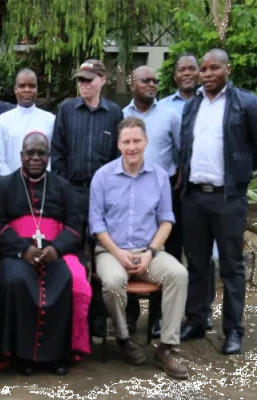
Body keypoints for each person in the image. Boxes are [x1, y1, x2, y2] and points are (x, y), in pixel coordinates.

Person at [89, 116, 189, 380]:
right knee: (111, 282)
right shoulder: (103, 177)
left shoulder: (158, 177)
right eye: (126, 142)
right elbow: (97, 224)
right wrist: (118, 253)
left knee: (178, 274)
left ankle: (167, 347)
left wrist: (151, 252)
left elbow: (167, 219)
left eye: (136, 141)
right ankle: (123, 338)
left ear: (146, 142)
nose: (131, 147)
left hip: (148, 251)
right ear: (119, 145)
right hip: (112, 251)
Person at [0, 131, 90, 376]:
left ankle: (57, 355)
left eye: (41, 153)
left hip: (56, 252)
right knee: (15, 280)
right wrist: (23, 249)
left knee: (66, 281)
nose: (35, 157)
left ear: (48, 157)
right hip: (16, 253)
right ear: (21, 156)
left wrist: (56, 248)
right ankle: (20, 356)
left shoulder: (62, 186)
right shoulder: (4, 184)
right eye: (30, 153)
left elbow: (76, 224)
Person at [179, 49, 257, 355]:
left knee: (231, 267)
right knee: (197, 264)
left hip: (228, 198)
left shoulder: (246, 103)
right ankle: (197, 320)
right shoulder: (193, 104)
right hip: (195, 197)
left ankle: (233, 330)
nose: (208, 73)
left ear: (228, 69)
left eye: (215, 68)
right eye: (204, 69)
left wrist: (241, 175)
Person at [123, 65, 181, 338]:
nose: (152, 84)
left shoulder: (170, 116)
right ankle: (131, 317)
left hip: (161, 191)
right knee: (128, 245)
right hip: (126, 189)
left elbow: (181, 153)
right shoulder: (121, 116)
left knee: (160, 254)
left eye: (155, 81)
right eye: (145, 80)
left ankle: (158, 319)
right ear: (131, 82)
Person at [160, 53, 217, 331]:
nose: (186, 73)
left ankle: (200, 312)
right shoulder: (163, 108)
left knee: (200, 255)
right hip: (170, 190)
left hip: (197, 190)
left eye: (191, 68)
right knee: (170, 250)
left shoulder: (209, 104)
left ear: (198, 73)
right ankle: (166, 314)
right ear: (174, 75)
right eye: (181, 69)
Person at [51, 59, 122, 240]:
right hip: (73, 189)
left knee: (102, 240)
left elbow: (117, 154)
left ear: (103, 80)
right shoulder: (67, 109)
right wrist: (63, 187)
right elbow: (58, 151)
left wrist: (113, 188)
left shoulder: (114, 113)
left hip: (104, 192)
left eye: (89, 80)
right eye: (81, 80)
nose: (84, 84)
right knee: (73, 240)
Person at [0, 68, 54, 176]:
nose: (27, 90)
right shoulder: (2, 121)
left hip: (43, 185)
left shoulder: (50, 120)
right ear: (15, 89)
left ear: (37, 89)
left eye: (32, 86)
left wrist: (45, 180)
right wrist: (12, 182)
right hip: (11, 186)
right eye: (22, 86)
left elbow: (52, 157)